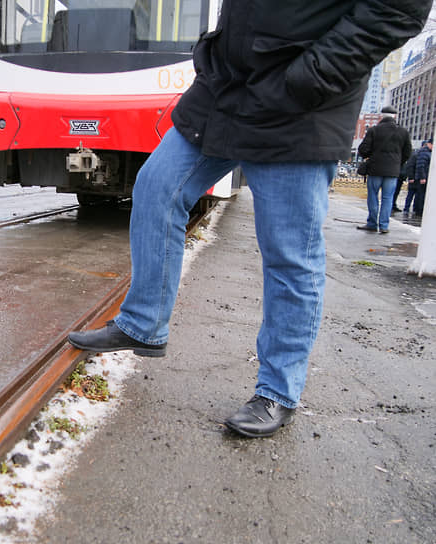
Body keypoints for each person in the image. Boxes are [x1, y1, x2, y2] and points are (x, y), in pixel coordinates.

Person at [68, 0, 428, 438]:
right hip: (227, 86)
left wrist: (311, 76)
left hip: (300, 99)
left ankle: (278, 390)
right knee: (157, 188)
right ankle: (143, 325)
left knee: (289, 253)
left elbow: (397, 9)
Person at [356, 106, 412, 234]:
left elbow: (363, 150)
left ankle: (372, 223)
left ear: (381, 116)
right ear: (395, 117)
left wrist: (370, 155)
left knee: (373, 196)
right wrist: (397, 162)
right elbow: (408, 152)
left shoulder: (374, 130)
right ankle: (384, 225)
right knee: (388, 198)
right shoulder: (403, 132)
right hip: (392, 171)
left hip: (375, 169)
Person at [414, 138, 432, 217]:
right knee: (421, 195)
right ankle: (419, 211)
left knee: (422, 195)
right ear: (429, 144)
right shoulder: (425, 152)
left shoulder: (427, 152)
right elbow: (421, 165)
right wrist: (422, 177)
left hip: (424, 177)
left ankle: (420, 210)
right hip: (423, 178)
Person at [402, 149, 419, 215]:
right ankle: (407, 208)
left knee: (411, 195)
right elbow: (410, 167)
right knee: (411, 195)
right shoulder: (415, 156)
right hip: (414, 179)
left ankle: (408, 208)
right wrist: (411, 177)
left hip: (415, 178)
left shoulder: (414, 155)